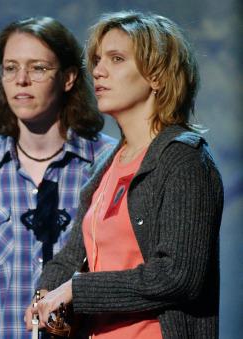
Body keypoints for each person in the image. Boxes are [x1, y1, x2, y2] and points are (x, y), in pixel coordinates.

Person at [24, 10, 224, 339]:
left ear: (156, 76)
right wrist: (46, 294)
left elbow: (178, 275)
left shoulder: (184, 159)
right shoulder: (107, 164)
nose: (99, 71)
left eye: (117, 59)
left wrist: (77, 290)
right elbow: (73, 255)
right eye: (98, 60)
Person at [0, 17, 116, 338]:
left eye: (37, 68)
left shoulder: (106, 162)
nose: (21, 80)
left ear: (69, 77)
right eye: (10, 67)